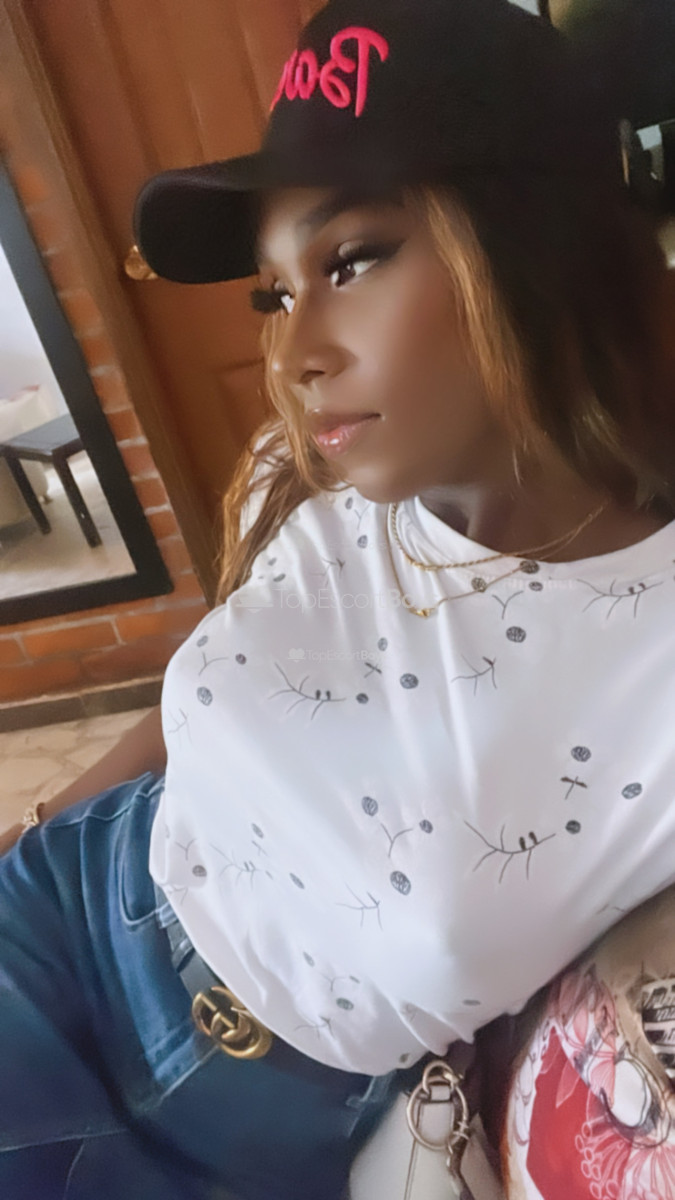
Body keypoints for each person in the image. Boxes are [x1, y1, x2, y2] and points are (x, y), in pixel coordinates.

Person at [2, 0, 675, 1196]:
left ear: (540, 240)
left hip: (246, 1123)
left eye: (351, 260)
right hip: (61, 912)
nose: (294, 350)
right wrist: (37, 824)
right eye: (275, 293)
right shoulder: (313, 476)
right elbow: (203, 713)